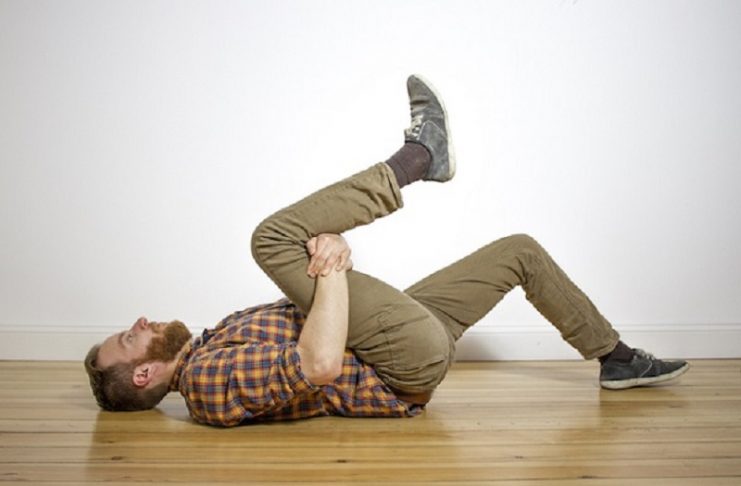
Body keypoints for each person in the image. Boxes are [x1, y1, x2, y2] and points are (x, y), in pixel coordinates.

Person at [84, 75, 689, 427]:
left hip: (400, 335)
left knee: (518, 252)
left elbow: (318, 323)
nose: (140, 322)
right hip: (400, 366)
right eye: (130, 337)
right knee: (270, 239)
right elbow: (318, 366)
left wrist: (327, 262)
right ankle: (420, 158)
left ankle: (618, 359)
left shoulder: (208, 343)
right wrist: (334, 266)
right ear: (144, 374)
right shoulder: (206, 385)